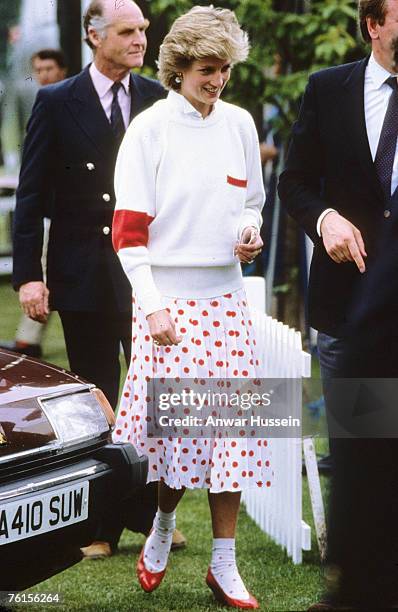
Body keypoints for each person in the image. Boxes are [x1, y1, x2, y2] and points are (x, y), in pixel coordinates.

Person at [11, 0, 187, 560]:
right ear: (93, 37)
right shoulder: (56, 102)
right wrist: (28, 278)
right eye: (127, 31)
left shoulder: (159, 99)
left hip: (148, 276)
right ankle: (99, 525)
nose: (140, 40)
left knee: (153, 394)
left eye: (143, 30)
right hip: (83, 272)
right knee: (96, 395)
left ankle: (149, 515)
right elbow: (31, 196)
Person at [112, 6, 271, 608]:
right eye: (208, 68)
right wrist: (151, 308)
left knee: (231, 432)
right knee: (180, 437)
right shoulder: (149, 130)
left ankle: (223, 564)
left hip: (226, 298)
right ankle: (159, 526)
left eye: (226, 68)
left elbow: (251, 199)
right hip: (168, 303)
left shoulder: (238, 124)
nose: (219, 79)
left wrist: (249, 230)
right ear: (178, 68)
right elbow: (127, 233)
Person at [278, 0, 398, 608]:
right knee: (361, 444)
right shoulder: (329, 89)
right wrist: (323, 219)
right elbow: (293, 180)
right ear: (374, 25)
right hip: (352, 307)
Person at [1, 49, 67, 359]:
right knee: (43, 269)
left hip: (69, 210)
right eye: (38, 69)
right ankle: (28, 339)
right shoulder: (44, 106)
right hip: (49, 211)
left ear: (62, 70)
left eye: (49, 68)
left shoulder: (68, 104)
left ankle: (28, 340)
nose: (43, 74)